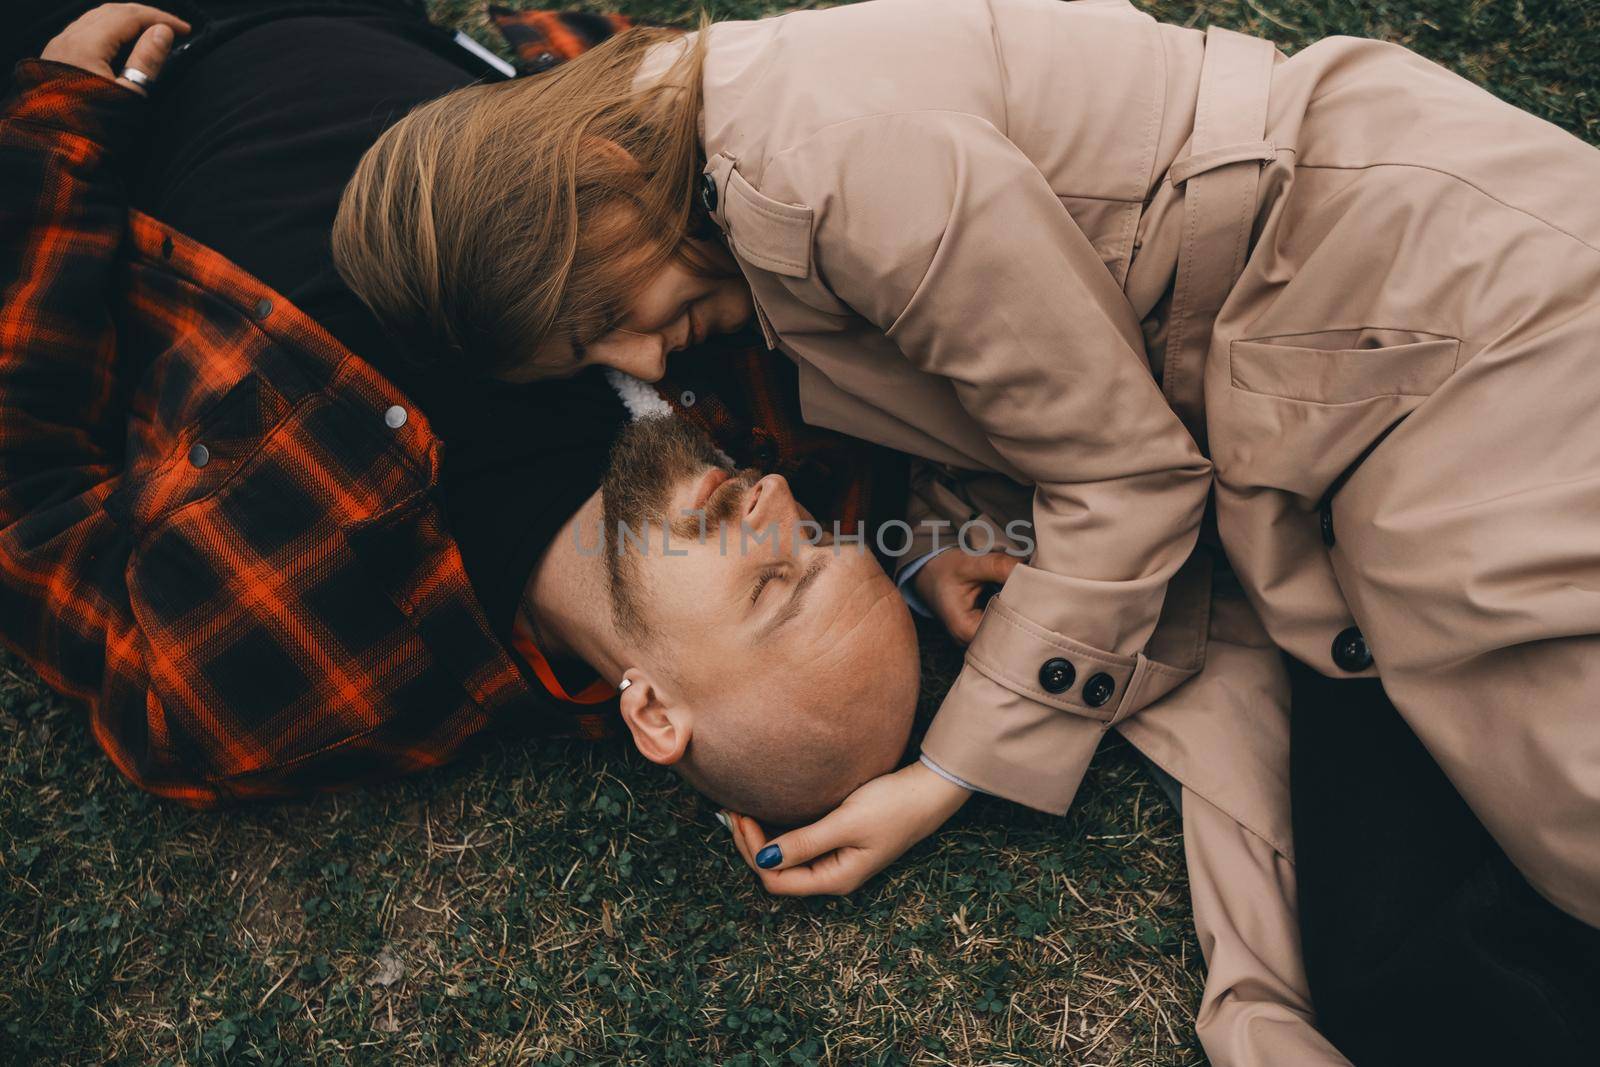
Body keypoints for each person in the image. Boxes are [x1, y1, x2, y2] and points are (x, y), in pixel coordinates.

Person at [334, 0, 1600, 1059]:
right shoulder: (729, 180)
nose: (640, 359)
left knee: (1563, 781)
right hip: (1307, 376)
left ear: (594, 184)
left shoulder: (826, 160)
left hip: (1430, 300)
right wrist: (944, 529)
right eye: (589, 353)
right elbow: (1003, 381)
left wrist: (946, 774)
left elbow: (1126, 475)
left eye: (599, 315)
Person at [0, 1, 913, 819]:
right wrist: (952, 529)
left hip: (109, 67)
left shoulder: (275, 685)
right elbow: (653, 122)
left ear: (654, 711)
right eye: (829, 544)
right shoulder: (781, 396)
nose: (783, 504)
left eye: (774, 584)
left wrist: (63, 131)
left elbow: (29, 495)